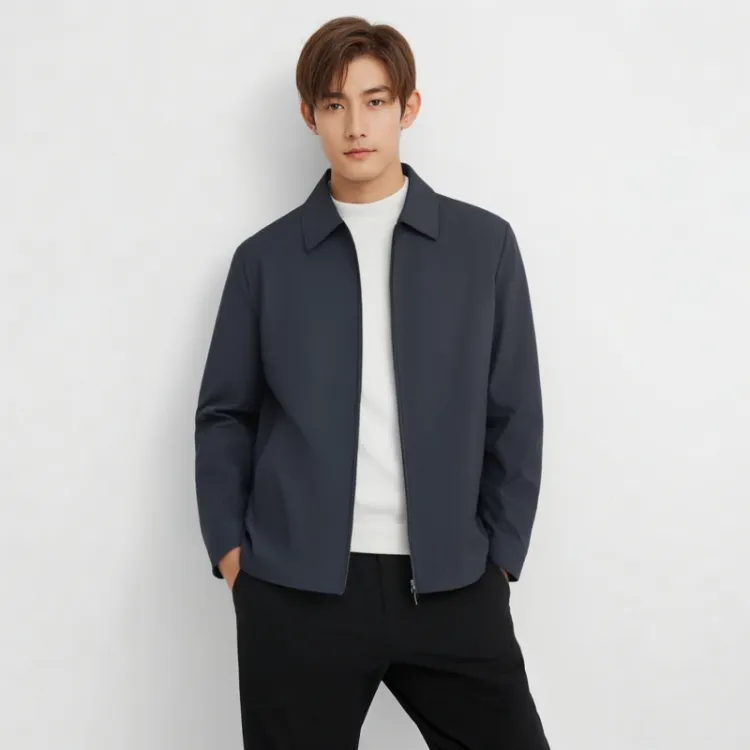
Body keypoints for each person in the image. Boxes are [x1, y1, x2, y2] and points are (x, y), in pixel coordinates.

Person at [194, 15, 549, 750]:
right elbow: (225, 413)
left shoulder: (483, 245)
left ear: (408, 107)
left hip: (453, 584)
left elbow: (514, 410)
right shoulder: (265, 260)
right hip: (295, 592)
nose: (356, 125)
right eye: (334, 104)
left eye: (375, 101)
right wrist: (234, 556)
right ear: (310, 117)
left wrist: (501, 557)